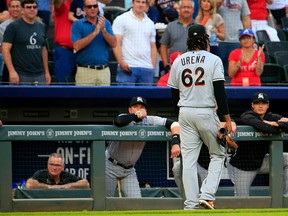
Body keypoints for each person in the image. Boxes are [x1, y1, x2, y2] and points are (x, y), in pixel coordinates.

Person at [167, 24, 232, 210]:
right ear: (206, 39)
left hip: (185, 112)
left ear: (189, 40)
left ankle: (190, 204)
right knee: (219, 154)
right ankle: (207, 195)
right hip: (205, 111)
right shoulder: (213, 59)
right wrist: (226, 119)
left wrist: (179, 114)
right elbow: (220, 92)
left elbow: (173, 93)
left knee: (188, 161)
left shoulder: (179, 60)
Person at [106, 96, 181, 197]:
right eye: (135, 106)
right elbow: (118, 121)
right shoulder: (124, 117)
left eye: (142, 107)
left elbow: (174, 124)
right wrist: (136, 115)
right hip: (109, 166)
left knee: (136, 203)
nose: (139, 109)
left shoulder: (150, 121)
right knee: (104, 202)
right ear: (129, 110)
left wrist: (175, 142)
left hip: (129, 170)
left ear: (146, 110)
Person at [227, 92, 288, 196]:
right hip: (243, 166)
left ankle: (285, 197)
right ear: (252, 105)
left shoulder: (271, 117)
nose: (260, 106)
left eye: (263, 103)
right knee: (242, 201)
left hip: (261, 161)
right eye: (257, 103)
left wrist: (277, 123)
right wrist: (280, 125)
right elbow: (263, 127)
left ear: (267, 105)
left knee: (287, 158)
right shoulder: (247, 115)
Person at [2, 0, 51, 85]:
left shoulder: (41, 26)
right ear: (22, 9)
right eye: (29, 7)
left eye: (34, 7)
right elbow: (5, 49)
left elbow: (43, 49)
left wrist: (46, 72)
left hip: (39, 74)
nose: (32, 9)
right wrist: (12, 71)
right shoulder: (13, 27)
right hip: (20, 74)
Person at [71, 0, 117, 86]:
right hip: (85, 70)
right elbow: (76, 46)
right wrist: (94, 33)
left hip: (104, 70)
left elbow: (114, 43)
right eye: (89, 7)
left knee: (105, 99)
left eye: (95, 6)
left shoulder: (105, 23)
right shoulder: (77, 24)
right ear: (84, 9)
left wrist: (103, 30)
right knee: (84, 99)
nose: (93, 8)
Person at [112, 0, 157, 86]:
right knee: (125, 98)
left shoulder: (150, 23)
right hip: (128, 66)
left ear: (146, 5)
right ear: (132, 3)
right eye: (138, 1)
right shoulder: (121, 19)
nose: (140, 4)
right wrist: (121, 62)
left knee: (146, 99)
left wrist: (152, 67)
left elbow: (153, 46)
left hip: (147, 68)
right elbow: (116, 42)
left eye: (143, 2)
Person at [217, 0, 251, 75]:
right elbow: (211, 9)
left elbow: (246, 18)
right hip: (219, 40)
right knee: (217, 71)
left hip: (236, 40)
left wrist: (248, 38)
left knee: (235, 72)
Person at [160, 0, 194, 74]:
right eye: (184, 7)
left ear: (193, 10)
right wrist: (166, 65)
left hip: (194, 69)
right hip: (174, 69)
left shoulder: (198, 27)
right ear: (179, 9)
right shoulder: (170, 26)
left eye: (189, 7)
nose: (186, 9)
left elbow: (206, 48)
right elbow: (163, 46)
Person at [26, 153, 90, 189]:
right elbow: (29, 184)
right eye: (52, 164)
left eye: (57, 165)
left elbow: (86, 184)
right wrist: (49, 187)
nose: (54, 168)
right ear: (48, 165)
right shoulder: (41, 174)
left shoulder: (65, 175)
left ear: (62, 167)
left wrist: (67, 186)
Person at [53, 0, 77, 84]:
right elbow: (57, 2)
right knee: (62, 85)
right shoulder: (64, 5)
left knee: (82, 87)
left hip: (82, 51)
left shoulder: (83, 6)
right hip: (65, 52)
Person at [0, 0, 22, 83]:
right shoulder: (2, 27)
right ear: (9, 8)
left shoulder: (28, 23)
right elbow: (1, 48)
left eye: (17, 6)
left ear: (21, 8)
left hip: (25, 64)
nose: (15, 9)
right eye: (13, 7)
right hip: (9, 63)